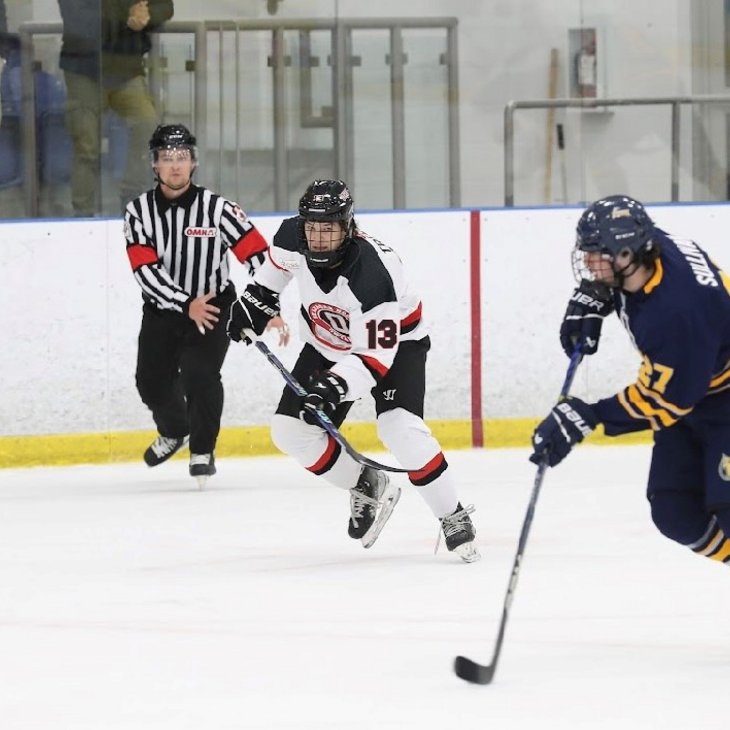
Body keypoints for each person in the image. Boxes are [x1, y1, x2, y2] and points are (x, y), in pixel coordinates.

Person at [226, 179, 480, 562]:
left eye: (329, 229)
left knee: (398, 428)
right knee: (290, 430)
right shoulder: (291, 235)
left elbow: (375, 358)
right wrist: (253, 304)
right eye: (312, 228)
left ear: (348, 226)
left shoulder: (374, 273)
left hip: (397, 347)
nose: (319, 239)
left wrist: (334, 386)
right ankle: (366, 481)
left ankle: (452, 513)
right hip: (327, 343)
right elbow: (273, 276)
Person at [530, 194, 730, 566]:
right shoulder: (650, 251)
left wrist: (588, 416)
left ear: (625, 255)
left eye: (596, 254)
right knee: (674, 510)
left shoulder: (676, 313)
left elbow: (668, 401)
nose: (589, 262)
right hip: (700, 383)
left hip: (719, 397)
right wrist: (594, 296)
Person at [124, 123, 289, 487]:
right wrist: (185, 304)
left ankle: (202, 449)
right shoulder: (138, 212)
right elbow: (144, 270)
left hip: (214, 306)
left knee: (200, 375)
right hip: (162, 311)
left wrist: (266, 305)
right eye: (167, 158)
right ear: (154, 164)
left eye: (182, 157)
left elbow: (257, 255)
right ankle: (175, 428)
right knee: (150, 382)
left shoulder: (219, 209)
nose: (175, 166)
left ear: (194, 162)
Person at [58, 0, 173, 216]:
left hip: (126, 68)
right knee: (86, 145)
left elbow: (165, 5)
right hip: (84, 69)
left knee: (147, 126)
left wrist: (146, 15)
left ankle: (131, 196)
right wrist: (129, 17)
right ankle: (83, 213)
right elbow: (79, 16)